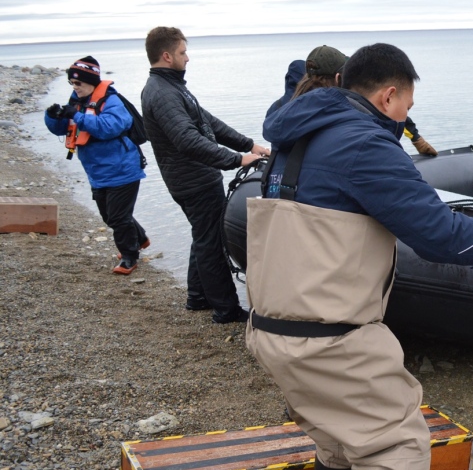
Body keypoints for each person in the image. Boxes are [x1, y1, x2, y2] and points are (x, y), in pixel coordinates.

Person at [245, 43, 473, 470]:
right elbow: (444, 236)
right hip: (328, 333)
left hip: (272, 325)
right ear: (389, 93)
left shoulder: (300, 134)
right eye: (405, 106)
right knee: (398, 444)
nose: (405, 118)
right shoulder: (364, 146)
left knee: (337, 426)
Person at [140, 26, 269, 323]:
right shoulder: (161, 93)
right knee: (212, 243)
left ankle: (197, 297)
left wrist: (251, 145)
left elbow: (209, 122)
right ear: (167, 55)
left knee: (204, 236)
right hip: (192, 182)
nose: (188, 58)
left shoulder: (173, 87)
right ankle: (225, 309)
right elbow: (187, 140)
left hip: (197, 178)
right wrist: (237, 160)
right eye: (183, 52)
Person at [44, 56, 149, 275]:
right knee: (109, 216)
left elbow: (107, 127)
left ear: (91, 81)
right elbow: (62, 129)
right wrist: (53, 117)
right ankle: (139, 238)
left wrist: (77, 115)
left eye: (78, 83)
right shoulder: (77, 101)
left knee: (119, 217)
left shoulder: (111, 101)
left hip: (123, 170)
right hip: (97, 172)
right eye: (72, 83)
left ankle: (129, 257)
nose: (75, 87)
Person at [277, 45, 438, 156]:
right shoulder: (343, 109)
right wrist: (416, 138)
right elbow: (381, 114)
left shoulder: (282, 111)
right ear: (339, 77)